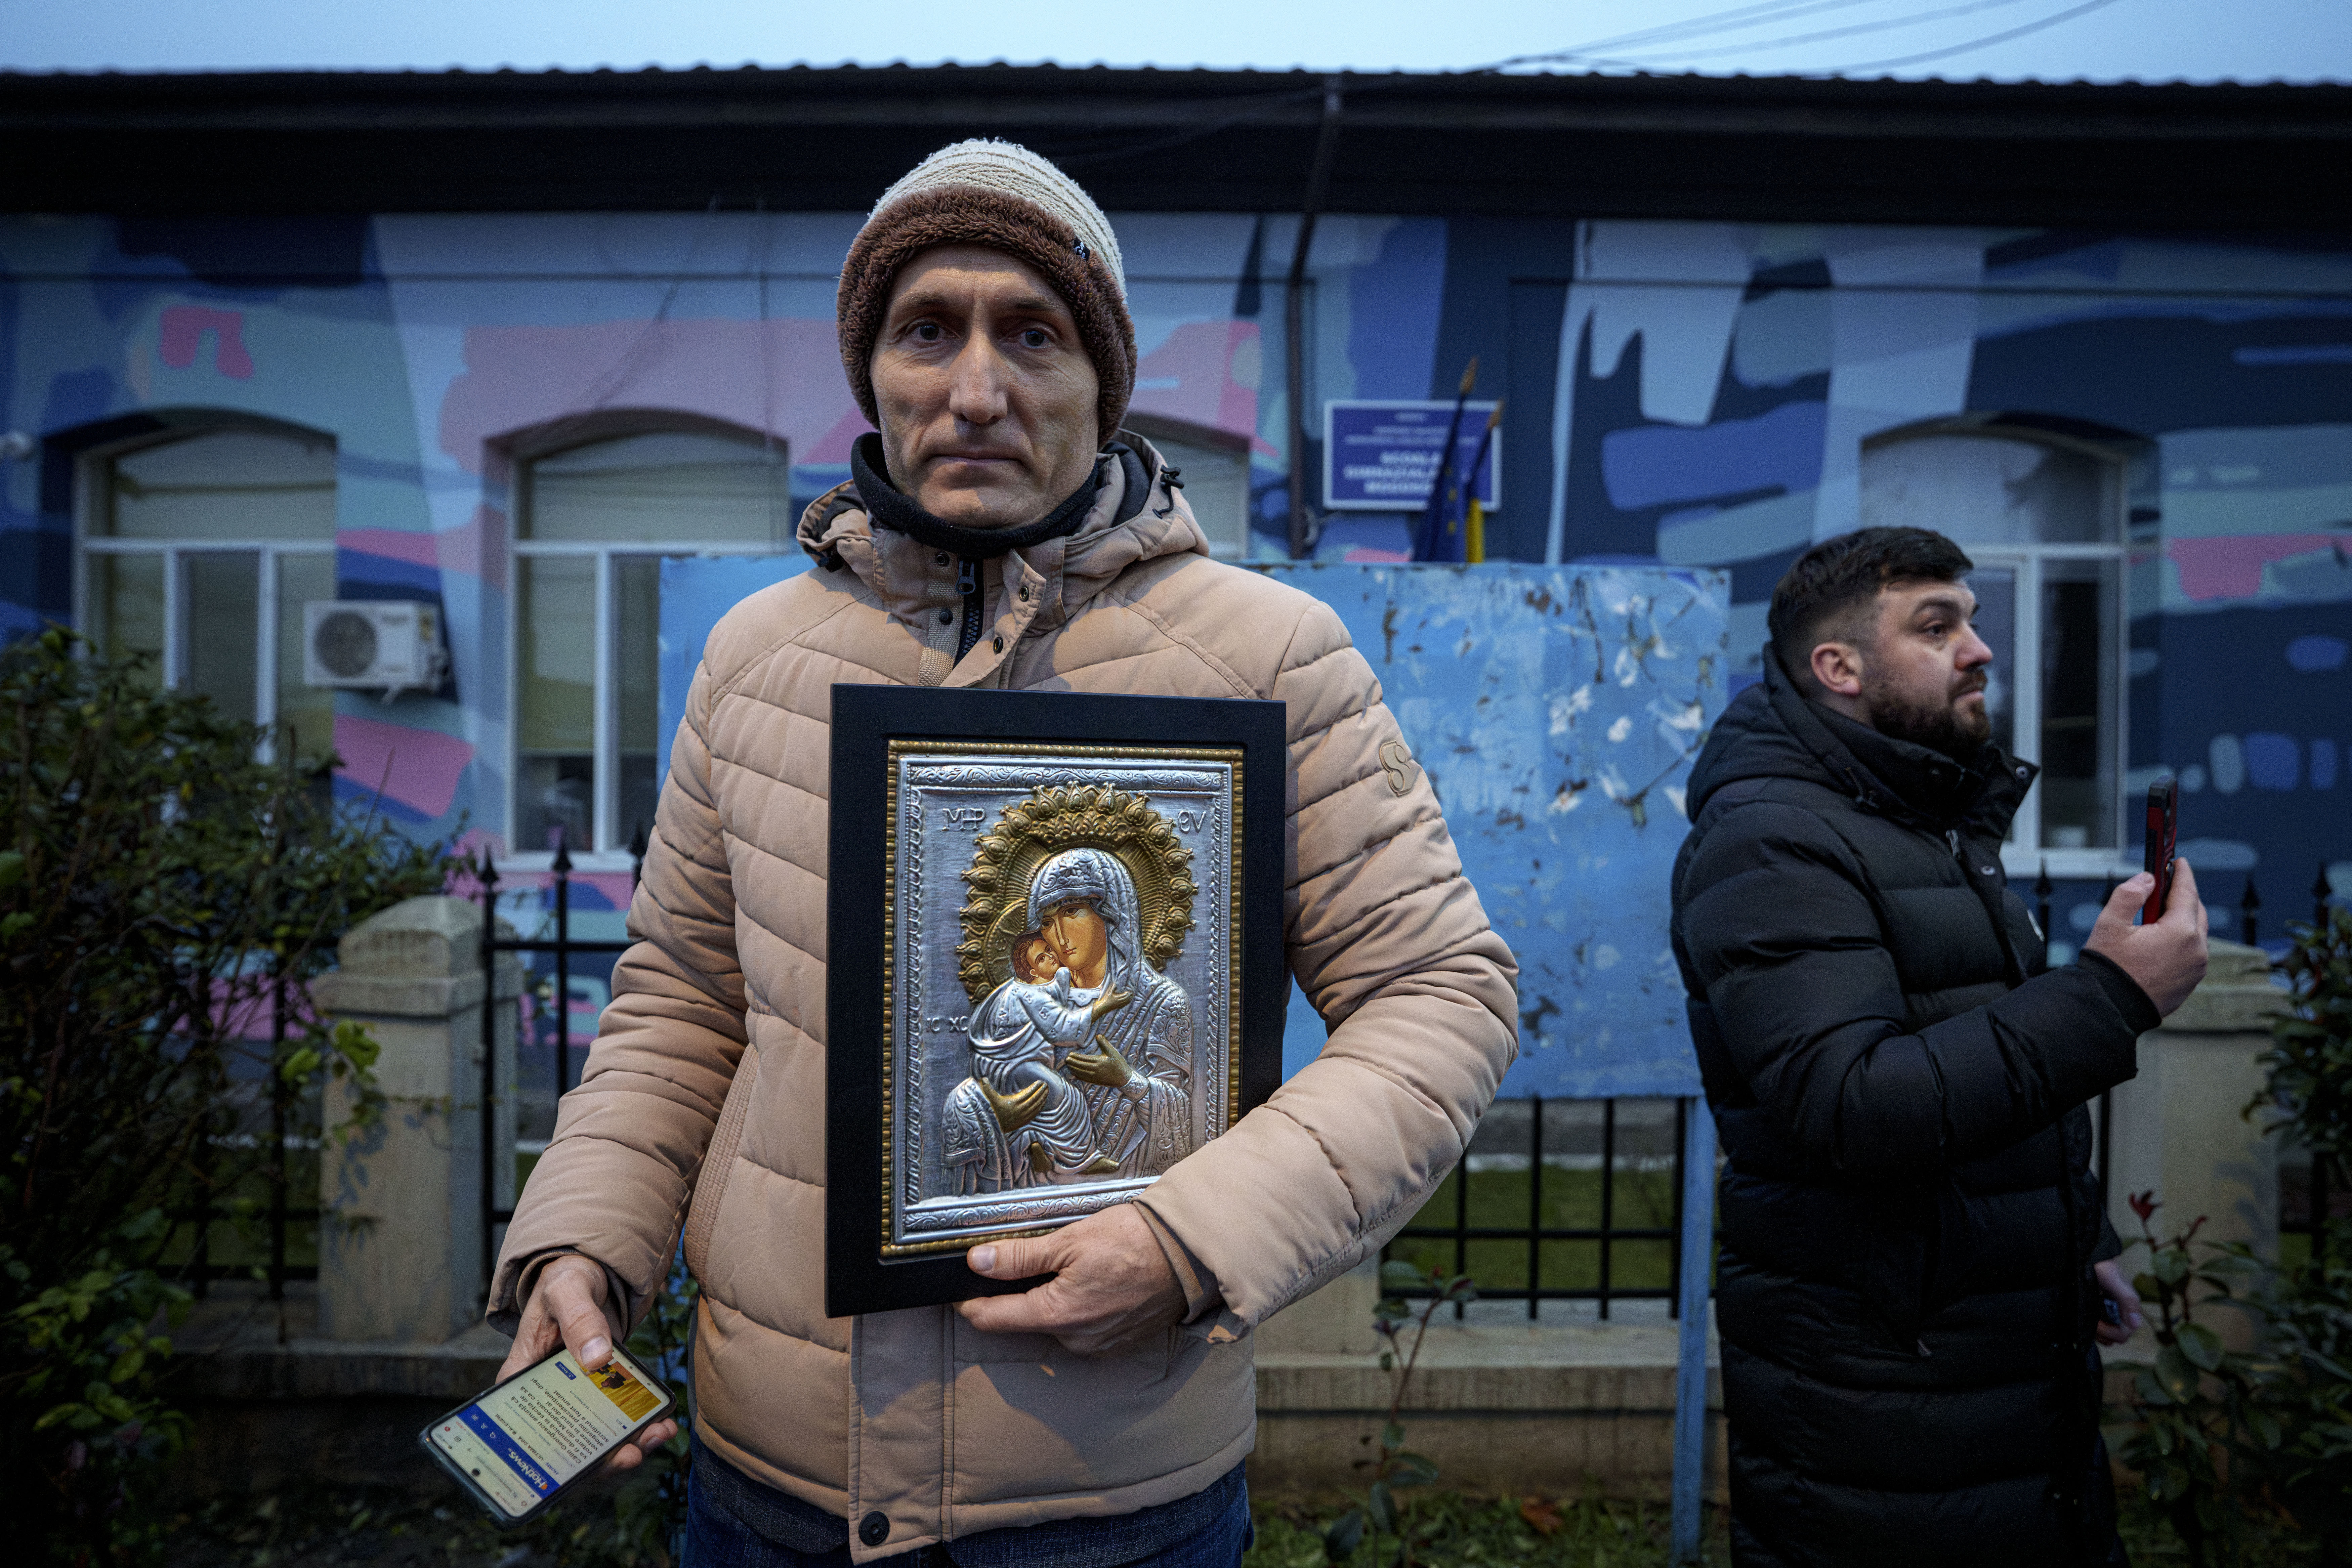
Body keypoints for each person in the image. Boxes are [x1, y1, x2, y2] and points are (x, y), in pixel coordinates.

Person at [488, 139, 1519, 1568]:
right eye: (927, 331)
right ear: (872, 376)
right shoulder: (756, 662)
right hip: (769, 1479)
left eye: (1031, 334)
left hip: (1104, 1487)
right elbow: (683, 998)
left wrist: (1186, 1245)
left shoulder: (1264, 659)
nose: (976, 388)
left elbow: (1439, 997)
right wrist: (582, 1240)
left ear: (1103, 383)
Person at [1670, 526, 2209, 1566]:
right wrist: (2108, 994)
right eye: (1936, 624)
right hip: (1884, 1401)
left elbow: (1964, 1047)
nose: (1979, 647)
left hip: (1988, 1366)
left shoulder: (1919, 818)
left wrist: (2069, 1235)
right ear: (1837, 667)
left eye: (1971, 618)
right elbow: (1851, 1102)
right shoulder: (1770, 840)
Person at [945, 924, 1130, 1189]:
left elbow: (1058, 988)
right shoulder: (1029, 995)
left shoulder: (1025, 989)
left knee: (1041, 1109)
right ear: (1032, 971)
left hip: (1011, 1068)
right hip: (1017, 1067)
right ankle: (1083, 1160)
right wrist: (1103, 1005)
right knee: (1069, 1098)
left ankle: (1034, 1145)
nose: (1051, 956)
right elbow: (1063, 1029)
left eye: (1049, 949)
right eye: (1042, 958)